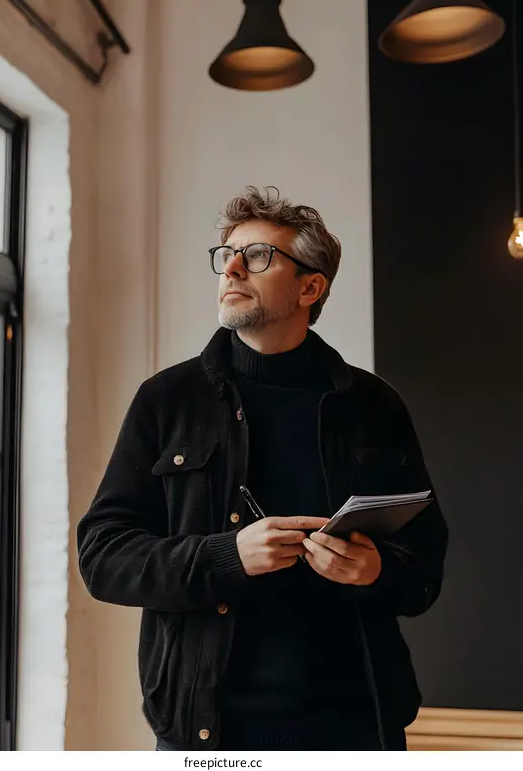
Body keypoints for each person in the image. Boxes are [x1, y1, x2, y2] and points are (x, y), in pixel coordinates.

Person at [78, 186, 448, 752]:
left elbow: (425, 564)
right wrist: (227, 556)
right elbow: (103, 558)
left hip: (357, 727)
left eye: (256, 256)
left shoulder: (374, 405)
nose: (231, 269)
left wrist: (375, 571)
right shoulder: (166, 400)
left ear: (310, 287)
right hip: (207, 731)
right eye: (226, 255)